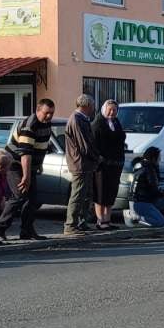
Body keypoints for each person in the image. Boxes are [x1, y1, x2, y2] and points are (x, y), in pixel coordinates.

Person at [0, 98, 56, 240]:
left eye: (52, 113)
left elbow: (41, 146)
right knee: (20, 195)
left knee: (33, 199)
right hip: (15, 164)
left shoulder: (47, 124)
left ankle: (27, 231)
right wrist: (26, 176)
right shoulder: (30, 126)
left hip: (29, 165)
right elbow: (25, 154)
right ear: (38, 110)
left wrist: (39, 164)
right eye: (46, 113)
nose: (49, 116)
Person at [63, 94, 100, 233]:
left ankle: (81, 222)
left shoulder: (82, 119)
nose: (94, 108)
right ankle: (70, 225)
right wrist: (96, 157)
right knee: (78, 195)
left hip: (85, 163)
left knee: (86, 195)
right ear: (87, 106)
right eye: (93, 106)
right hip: (80, 163)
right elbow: (84, 145)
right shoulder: (76, 120)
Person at [91, 99, 127, 230]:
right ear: (104, 109)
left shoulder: (116, 123)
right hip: (102, 166)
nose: (112, 112)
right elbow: (93, 144)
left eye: (114, 110)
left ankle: (107, 219)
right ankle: (100, 221)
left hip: (115, 165)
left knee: (111, 193)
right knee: (101, 193)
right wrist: (99, 158)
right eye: (110, 110)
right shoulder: (97, 124)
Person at [125, 146, 164, 227]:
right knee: (161, 222)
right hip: (141, 202)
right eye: (159, 157)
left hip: (134, 201)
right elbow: (154, 189)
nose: (160, 160)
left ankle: (140, 214)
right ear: (153, 158)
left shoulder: (140, 165)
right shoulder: (149, 168)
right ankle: (134, 217)